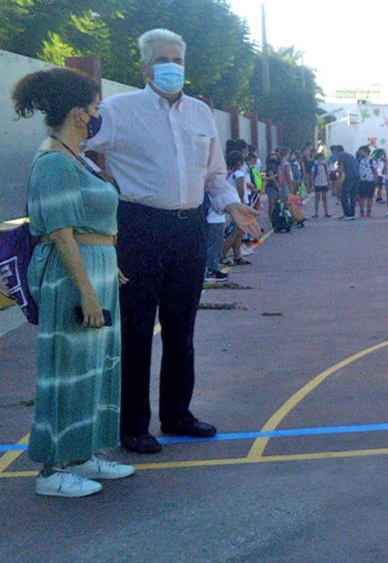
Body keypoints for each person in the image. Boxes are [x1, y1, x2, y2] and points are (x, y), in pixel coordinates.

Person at [85, 28, 261, 454]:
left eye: (177, 60)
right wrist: (100, 186)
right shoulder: (118, 110)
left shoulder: (200, 113)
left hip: (189, 229)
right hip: (139, 227)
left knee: (182, 328)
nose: (171, 67)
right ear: (144, 67)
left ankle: (178, 414)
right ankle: (133, 426)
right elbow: (72, 145)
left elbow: (215, 175)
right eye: (161, 60)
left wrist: (232, 204)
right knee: (137, 329)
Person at [14, 67, 135, 496]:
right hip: (72, 279)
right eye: (95, 106)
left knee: (95, 369)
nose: (98, 114)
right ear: (77, 112)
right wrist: (88, 292)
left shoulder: (73, 157)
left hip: (95, 269)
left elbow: (86, 222)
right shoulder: (53, 161)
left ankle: (82, 454)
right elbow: (62, 234)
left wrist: (108, 266)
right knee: (67, 371)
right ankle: (52, 470)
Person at [336, 145, 359, 220]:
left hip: (349, 176)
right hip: (357, 176)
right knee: (353, 195)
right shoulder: (350, 155)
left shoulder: (341, 155)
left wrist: (339, 179)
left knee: (344, 195)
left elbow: (341, 167)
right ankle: (352, 213)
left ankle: (347, 214)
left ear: (336, 151)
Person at [310, 152, 331, 217]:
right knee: (317, 198)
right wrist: (312, 184)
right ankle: (316, 213)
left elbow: (327, 175)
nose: (321, 161)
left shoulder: (325, 166)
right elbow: (312, 176)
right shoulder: (315, 167)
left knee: (325, 198)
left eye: (322, 159)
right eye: (320, 159)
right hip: (317, 183)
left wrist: (329, 183)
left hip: (324, 183)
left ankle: (326, 212)